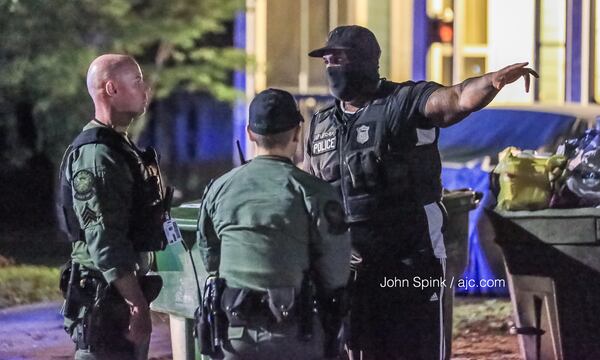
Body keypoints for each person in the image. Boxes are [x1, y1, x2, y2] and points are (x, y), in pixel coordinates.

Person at [304, 25, 538, 360]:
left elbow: (455, 98)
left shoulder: (403, 102)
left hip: (409, 265)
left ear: (366, 62)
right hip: (350, 270)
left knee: (415, 349)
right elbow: (312, 189)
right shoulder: (321, 124)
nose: (332, 68)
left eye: (339, 59)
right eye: (327, 60)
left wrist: (492, 81)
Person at [197, 88, 351, 360]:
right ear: (297, 133)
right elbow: (336, 272)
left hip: (234, 338)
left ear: (249, 133)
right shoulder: (313, 192)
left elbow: (210, 259)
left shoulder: (219, 189)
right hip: (294, 335)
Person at [56, 54, 166, 360]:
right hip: (107, 304)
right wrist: (136, 304)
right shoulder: (98, 155)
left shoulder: (119, 147)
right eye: (137, 81)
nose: (145, 89)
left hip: (117, 300)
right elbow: (105, 241)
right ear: (111, 89)